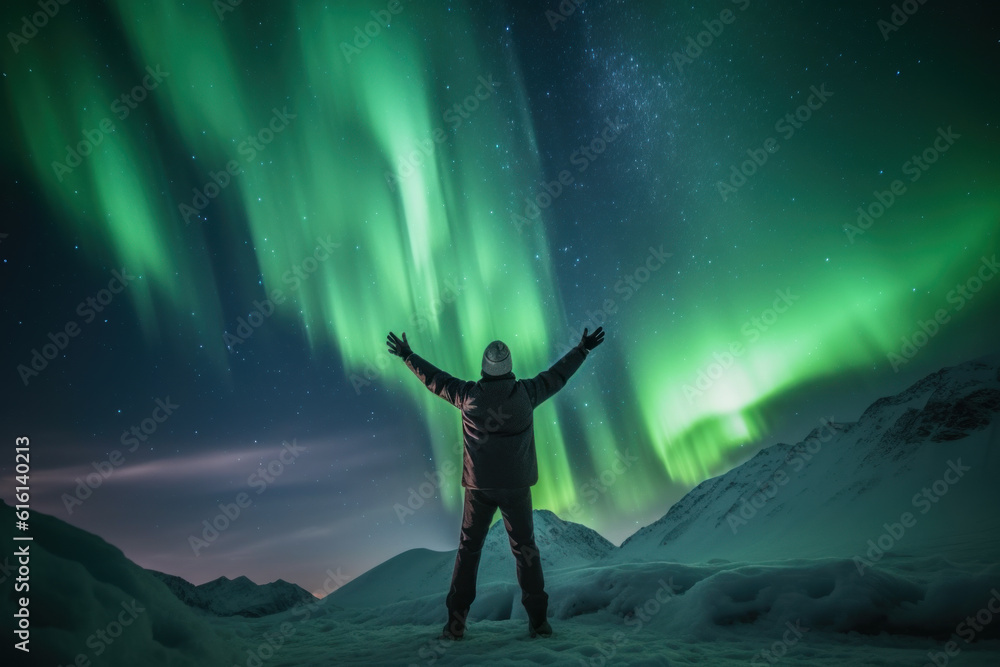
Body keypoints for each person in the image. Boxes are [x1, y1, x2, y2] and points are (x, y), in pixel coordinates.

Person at [385, 326, 605, 640]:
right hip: (516, 487)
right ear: (509, 367)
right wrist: (582, 349)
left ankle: (456, 623)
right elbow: (559, 375)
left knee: (468, 551)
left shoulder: (468, 395)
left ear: (484, 369)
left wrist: (408, 355)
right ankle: (539, 622)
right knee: (525, 550)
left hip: (479, 488)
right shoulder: (527, 393)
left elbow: (435, 379)